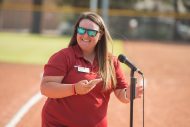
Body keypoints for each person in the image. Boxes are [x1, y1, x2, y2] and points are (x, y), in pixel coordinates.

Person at [40, 11, 143, 127]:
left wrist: (128, 94)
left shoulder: (111, 62)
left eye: (91, 32)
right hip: (58, 123)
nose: (85, 35)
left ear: (100, 35)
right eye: (81, 30)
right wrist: (75, 89)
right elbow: (45, 87)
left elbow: (121, 93)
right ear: (76, 31)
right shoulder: (63, 57)